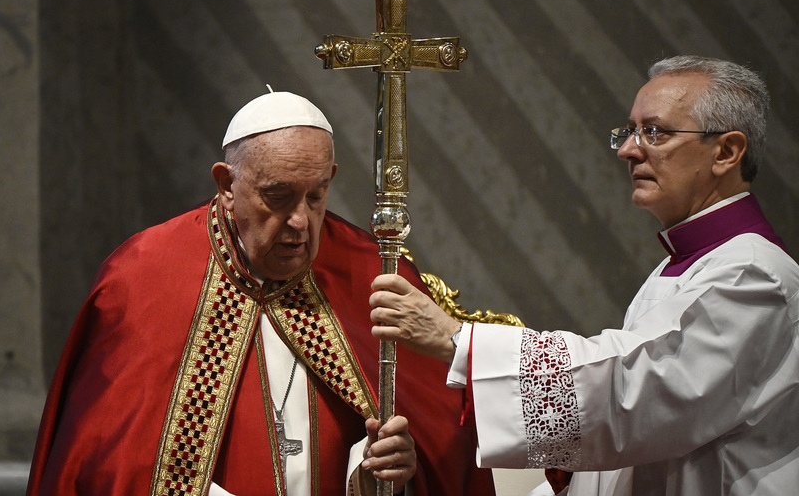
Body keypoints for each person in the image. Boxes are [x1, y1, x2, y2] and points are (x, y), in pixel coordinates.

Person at [369, 55, 799, 495]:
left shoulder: (755, 278)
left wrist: (456, 338)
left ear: (726, 151)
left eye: (654, 132)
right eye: (629, 131)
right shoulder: (686, 264)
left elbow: (633, 396)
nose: (628, 149)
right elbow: (636, 442)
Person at [26, 90, 495, 496]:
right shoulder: (144, 276)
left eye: (316, 196)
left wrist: (387, 473)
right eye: (278, 195)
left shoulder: (371, 274)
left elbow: (449, 456)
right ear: (227, 185)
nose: (299, 221)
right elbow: (102, 465)